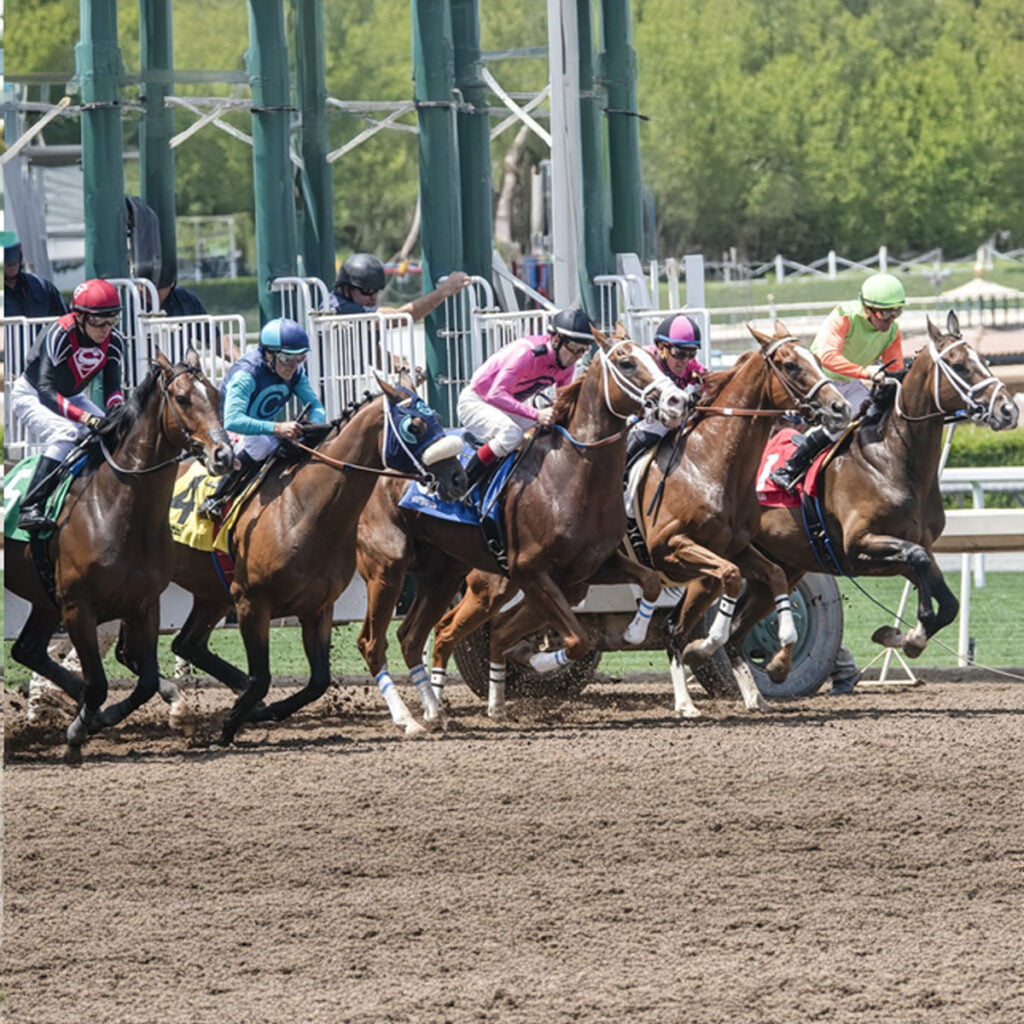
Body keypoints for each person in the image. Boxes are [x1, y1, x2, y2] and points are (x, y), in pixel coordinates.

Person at [769, 271, 906, 492]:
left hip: (850, 382)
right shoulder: (844, 316)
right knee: (848, 414)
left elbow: (894, 369)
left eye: (896, 312)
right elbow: (828, 357)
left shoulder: (893, 331)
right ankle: (791, 467)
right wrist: (866, 373)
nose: (890, 320)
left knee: (877, 415)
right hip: (817, 382)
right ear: (867, 309)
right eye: (884, 313)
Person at [11, 278, 127, 531]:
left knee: (116, 434)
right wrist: (85, 419)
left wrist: (117, 413)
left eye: (112, 319)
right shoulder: (59, 335)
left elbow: (113, 390)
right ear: (80, 317)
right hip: (31, 395)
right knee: (67, 433)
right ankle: (31, 506)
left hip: (72, 396)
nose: (106, 328)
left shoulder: (114, 341)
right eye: (98, 320)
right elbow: (46, 391)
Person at [456, 305, 595, 495]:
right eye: (574, 348)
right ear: (556, 340)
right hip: (476, 401)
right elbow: (495, 394)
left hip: (506, 406)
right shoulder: (526, 353)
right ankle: (463, 484)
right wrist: (537, 414)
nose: (577, 356)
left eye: (583, 350)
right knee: (511, 434)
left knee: (552, 430)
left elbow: (562, 400)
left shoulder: (566, 365)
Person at [199, 317, 326, 519]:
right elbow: (233, 420)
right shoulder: (246, 375)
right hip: (231, 433)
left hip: (265, 430)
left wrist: (316, 426)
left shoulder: (296, 373)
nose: (293, 366)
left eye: (300, 358)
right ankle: (217, 497)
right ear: (268, 354)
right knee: (260, 444)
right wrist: (277, 428)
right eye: (287, 359)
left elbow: (317, 407)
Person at [626, 312, 707, 460]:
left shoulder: (690, 365)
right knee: (656, 427)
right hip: (638, 419)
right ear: (662, 347)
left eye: (692, 353)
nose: (685, 360)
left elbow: (711, 381)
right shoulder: (646, 362)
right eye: (680, 352)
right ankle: (622, 471)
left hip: (668, 416)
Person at [326, 252, 471, 321]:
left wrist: (405, 368)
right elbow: (401, 316)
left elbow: (374, 353)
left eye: (376, 291)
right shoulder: (339, 308)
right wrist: (444, 291)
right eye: (367, 291)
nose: (373, 297)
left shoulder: (358, 313)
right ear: (346, 289)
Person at [4, 238, 68, 319]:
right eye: (6, 262)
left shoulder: (42, 286)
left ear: (20, 259)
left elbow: (64, 319)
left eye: (14, 262)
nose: (11, 266)